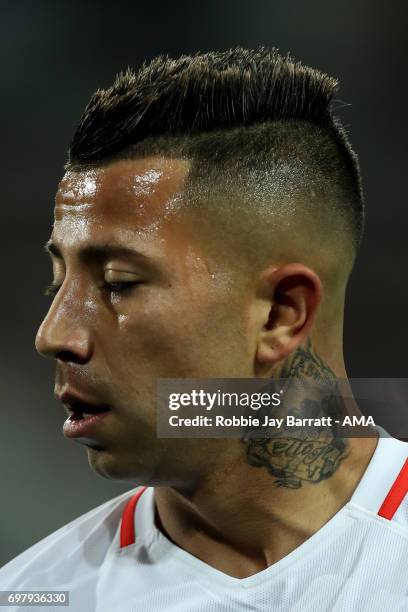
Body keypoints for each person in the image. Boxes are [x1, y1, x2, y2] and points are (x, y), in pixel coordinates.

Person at [1, 47, 407, 611]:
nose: (54, 335)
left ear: (280, 314)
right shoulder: (33, 596)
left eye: (118, 283)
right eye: (57, 283)